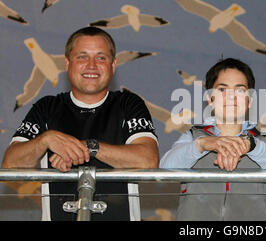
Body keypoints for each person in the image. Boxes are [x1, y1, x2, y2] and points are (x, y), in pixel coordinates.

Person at [2, 27, 159, 221]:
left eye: (101, 58)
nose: (91, 65)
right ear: (68, 63)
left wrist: (88, 147)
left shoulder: (128, 104)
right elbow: (10, 166)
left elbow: (148, 161)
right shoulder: (47, 107)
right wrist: (46, 140)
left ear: (113, 64)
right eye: (82, 57)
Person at [160, 58, 266, 220]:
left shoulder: (262, 140)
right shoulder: (193, 136)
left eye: (240, 90)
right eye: (222, 90)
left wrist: (251, 146)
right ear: (209, 99)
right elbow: (165, 169)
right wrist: (202, 145)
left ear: (250, 99)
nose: (231, 97)